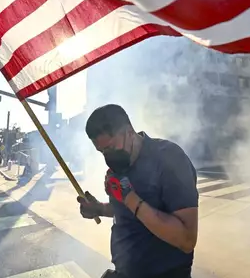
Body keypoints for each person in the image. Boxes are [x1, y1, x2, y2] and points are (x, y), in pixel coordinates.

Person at [77, 105, 199, 278]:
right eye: (102, 151)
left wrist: (130, 198)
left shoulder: (169, 158)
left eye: (111, 148)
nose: (107, 157)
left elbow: (187, 239)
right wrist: (100, 209)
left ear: (128, 132)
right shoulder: (119, 167)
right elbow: (129, 213)